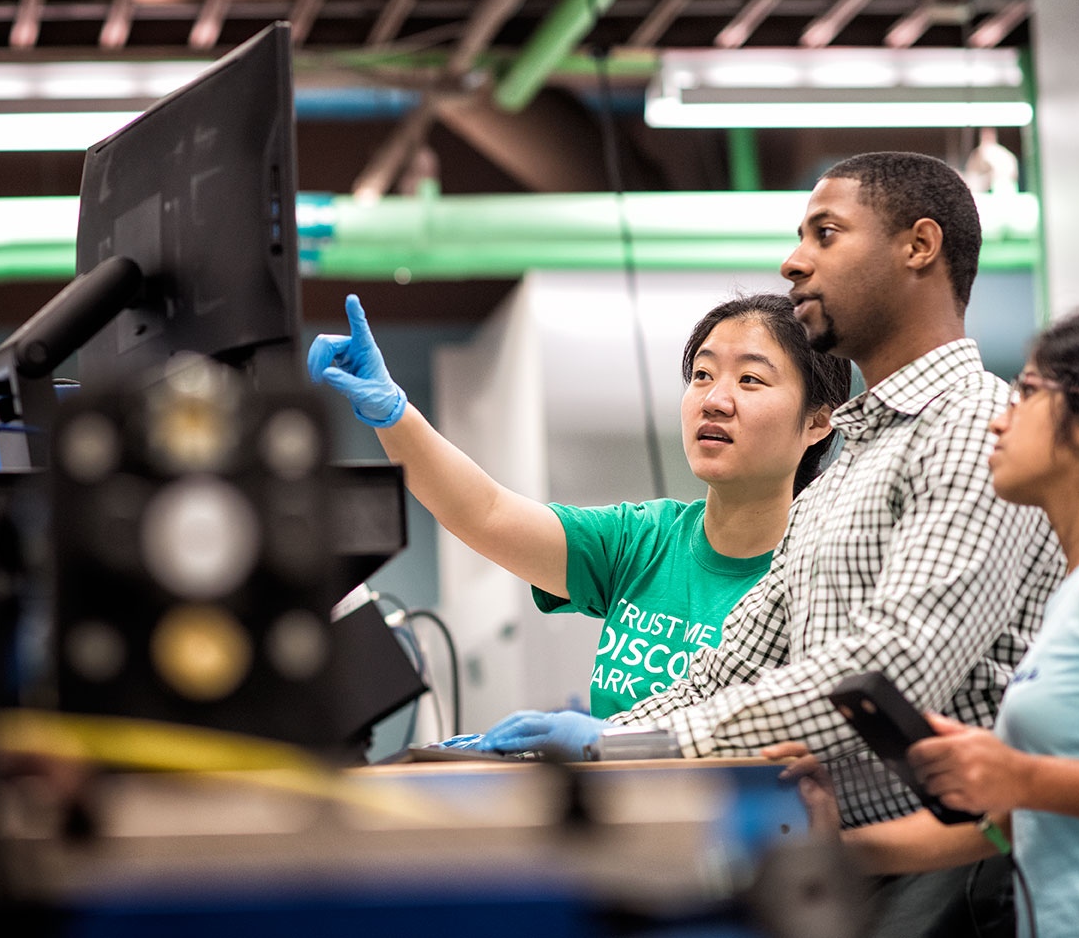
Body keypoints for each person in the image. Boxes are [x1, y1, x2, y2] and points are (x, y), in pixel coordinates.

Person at [476, 152, 1065, 937]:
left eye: (826, 234)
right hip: (858, 865)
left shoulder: (968, 427)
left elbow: (896, 667)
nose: (794, 262)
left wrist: (649, 744)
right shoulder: (851, 460)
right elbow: (739, 659)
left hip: (959, 880)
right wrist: (606, 742)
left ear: (919, 246)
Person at [772, 308, 1079, 938]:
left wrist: (1020, 774)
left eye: (1028, 391)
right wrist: (841, 850)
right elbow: (1014, 821)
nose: (1000, 417)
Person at [307, 291, 850, 721]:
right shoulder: (643, 540)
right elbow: (485, 512)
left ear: (818, 421)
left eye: (750, 380)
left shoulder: (825, 575)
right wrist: (394, 413)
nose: (714, 399)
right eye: (702, 375)